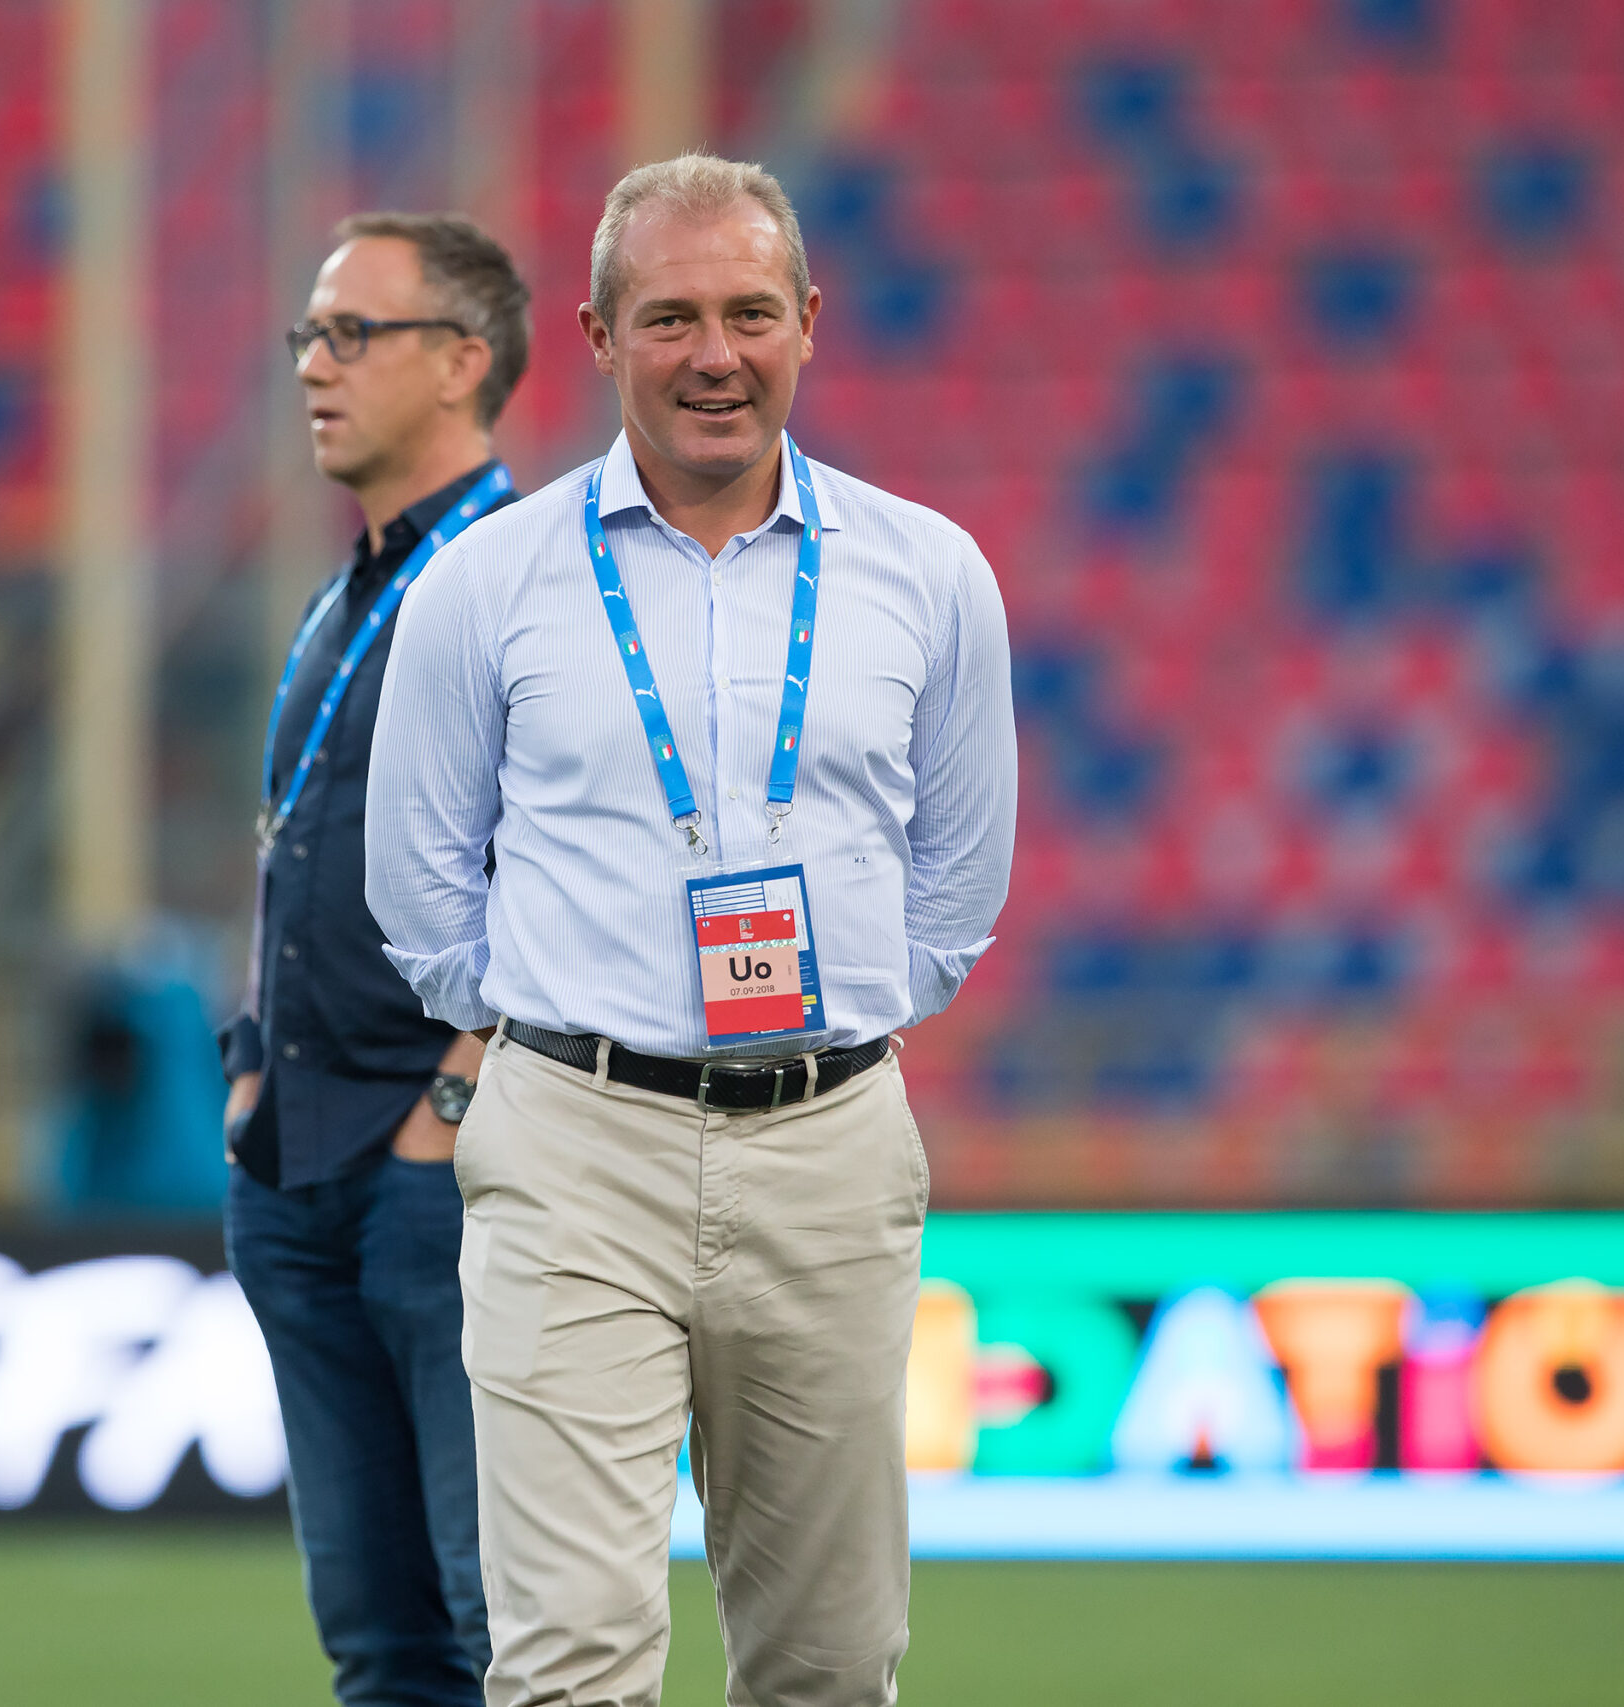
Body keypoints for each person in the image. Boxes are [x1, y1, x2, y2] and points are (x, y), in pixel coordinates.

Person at [366, 154, 1016, 1707]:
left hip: (828, 1142)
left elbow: (960, 882)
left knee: (828, 1661)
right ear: (597, 333)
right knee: (570, 1661)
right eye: (668, 317)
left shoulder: (929, 573)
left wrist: (825, 1029)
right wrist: (565, 1028)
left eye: (745, 313)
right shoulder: (486, 580)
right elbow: (418, 884)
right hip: (574, 1146)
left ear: (809, 322)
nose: (713, 353)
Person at [219, 211, 527, 1707]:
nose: (314, 367)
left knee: (508, 1632)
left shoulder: (525, 581)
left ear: (464, 360)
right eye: (308, 337)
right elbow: (289, 846)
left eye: (353, 333)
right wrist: (249, 1064)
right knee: (382, 1648)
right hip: (302, 1159)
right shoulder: (354, 586)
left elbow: (577, 873)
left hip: (440, 1176)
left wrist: (449, 1111)